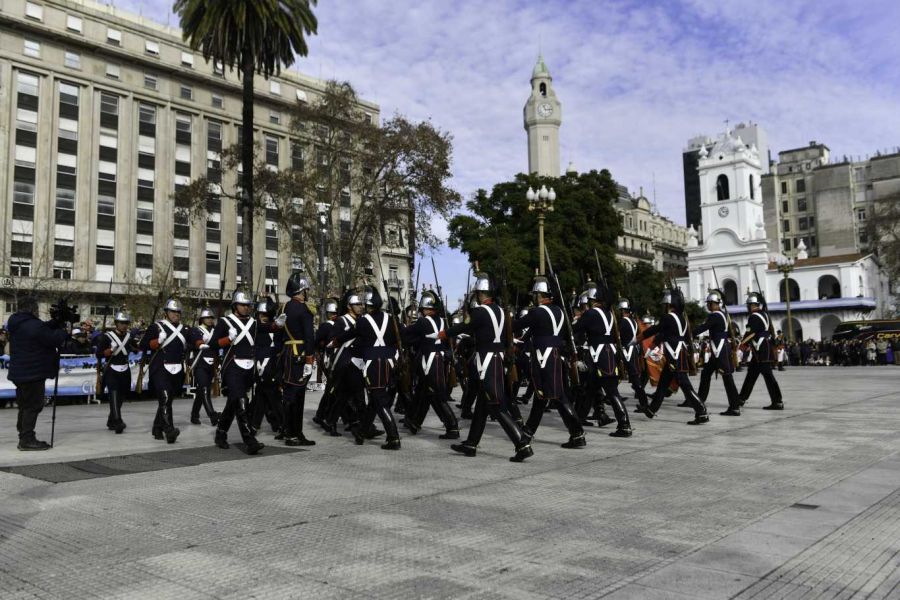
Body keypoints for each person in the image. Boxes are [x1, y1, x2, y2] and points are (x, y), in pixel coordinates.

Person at [443, 270, 532, 462]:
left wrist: (445, 334)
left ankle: (522, 443)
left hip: (486, 362)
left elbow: (463, 327)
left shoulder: (480, 312)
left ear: (480, 293)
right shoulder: (501, 311)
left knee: (497, 406)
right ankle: (471, 444)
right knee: (483, 406)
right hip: (497, 360)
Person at [515, 275, 586, 447]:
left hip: (544, 358)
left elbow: (516, 325)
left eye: (535, 294)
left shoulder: (537, 312)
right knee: (541, 396)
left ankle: (577, 434)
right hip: (557, 355)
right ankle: (527, 432)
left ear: (539, 295)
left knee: (558, 397)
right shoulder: (560, 312)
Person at [638, 288, 709, 425]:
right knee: (663, 384)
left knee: (685, 385)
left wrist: (638, 339)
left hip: (674, 354)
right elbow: (665, 334)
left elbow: (655, 330)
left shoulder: (668, 317)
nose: (663, 307)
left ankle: (702, 411)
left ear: (669, 304)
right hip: (678, 353)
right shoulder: (681, 318)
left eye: (664, 304)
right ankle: (652, 409)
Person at [7, 296, 70, 450]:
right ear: (31, 309)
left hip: (20, 372)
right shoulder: (33, 325)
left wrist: (54, 322)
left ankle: (24, 434)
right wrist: (64, 330)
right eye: (35, 308)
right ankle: (27, 439)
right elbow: (53, 338)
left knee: (24, 404)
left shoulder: (16, 322)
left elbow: (41, 328)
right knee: (33, 405)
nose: (37, 310)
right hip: (32, 372)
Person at [345, 286, 402, 450]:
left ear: (369, 305)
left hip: (373, 365)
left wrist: (335, 341)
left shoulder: (363, 321)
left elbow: (351, 334)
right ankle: (363, 431)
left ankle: (393, 437)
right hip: (390, 363)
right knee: (375, 400)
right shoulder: (392, 319)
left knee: (379, 400)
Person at [207, 291, 265, 453]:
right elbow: (212, 344)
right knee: (241, 401)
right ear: (235, 306)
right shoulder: (225, 322)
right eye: (243, 305)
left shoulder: (254, 323)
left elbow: (262, 339)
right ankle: (249, 440)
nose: (246, 308)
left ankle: (221, 432)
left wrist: (277, 325)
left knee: (233, 403)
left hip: (248, 368)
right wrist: (228, 339)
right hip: (232, 367)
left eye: (248, 305)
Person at [572, 285, 632, 437]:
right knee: (590, 390)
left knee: (612, 392)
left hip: (599, 355)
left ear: (593, 300)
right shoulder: (609, 314)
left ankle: (624, 425)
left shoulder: (591, 313)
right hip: (607, 353)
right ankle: (578, 421)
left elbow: (577, 328)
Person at [402, 290, 460, 440]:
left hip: (428, 361)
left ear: (425, 308)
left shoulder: (422, 322)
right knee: (424, 393)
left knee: (437, 396)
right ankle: (414, 421)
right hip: (439, 360)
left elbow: (408, 334)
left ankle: (452, 426)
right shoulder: (442, 321)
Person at [139, 298, 188, 443]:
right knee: (165, 398)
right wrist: (157, 342)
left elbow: (192, 343)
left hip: (177, 369)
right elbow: (143, 345)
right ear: (166, 312)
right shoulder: (156, 327)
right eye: (173, 311)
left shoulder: (184, 329)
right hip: (160, 367)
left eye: (178, 312)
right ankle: (169, 430)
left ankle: (157, 427)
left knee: (167, 401)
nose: (176, 314)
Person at [279, 275, 316, 446]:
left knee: (291, 393)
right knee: (295, 395)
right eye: (306, 290)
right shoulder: (304, 310)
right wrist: (309, 359)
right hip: (299, 354)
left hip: (287, 353)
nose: (307, 293)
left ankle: (294, 432)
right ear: (301, 291)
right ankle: (291, 433)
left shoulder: (284, 307)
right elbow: (309, 337)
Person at [693, 291, 741, 416]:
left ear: (714, 304)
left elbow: (703, 327)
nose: (708, 306)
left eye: (709, 303)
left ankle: (735, 407)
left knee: (727, 378)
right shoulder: (722, 314)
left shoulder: (715, 315)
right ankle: (700, 401)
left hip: (719, 350)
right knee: (706, 374)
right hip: (718, 350)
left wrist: (690, 333)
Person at [95, 308, 140, 433]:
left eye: (126, 323)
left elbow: (136, 348)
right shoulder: (106, 337)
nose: (124, 325)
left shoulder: (129, 337)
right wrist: (109, 351)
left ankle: (111, 420)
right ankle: (118, 420)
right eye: (121, 323)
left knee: (121, 396)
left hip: (125, 369)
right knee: (113, 395)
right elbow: (98, 354)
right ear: (116, 323)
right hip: (111, 369)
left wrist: (138, 346)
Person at [737, 292, 784, 410]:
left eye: (748, 305)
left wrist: (742, 346)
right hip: (762, 350)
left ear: (753, 305)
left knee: (768, 376)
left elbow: (750, 333)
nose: (747, 307)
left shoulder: (754, 317)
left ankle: (777, 402)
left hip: (761, 350)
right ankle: (741, 399)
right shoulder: (764, 314)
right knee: (751, 375)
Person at [251, 296, 284, 437]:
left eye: (267, 314)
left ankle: (256, 424)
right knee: (267, 395)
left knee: (266, 395)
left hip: (273, 364)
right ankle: (280, 423)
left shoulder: (277, 326)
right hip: (259, 364)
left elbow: (280, 345)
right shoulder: (254, 326)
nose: (264, 317)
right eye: (261, 314)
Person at [615, 298, 651, 414]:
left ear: (622, 310)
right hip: (632, 351)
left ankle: (644, 403)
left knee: (634, 379)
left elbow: (617, 336)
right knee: (632, 378)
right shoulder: (633, 321)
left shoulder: (623, 322)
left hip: (626, 351)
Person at [186, 306, 220, 426]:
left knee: (202, 390)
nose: (210, 319)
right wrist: (199, 343)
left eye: (211, 317)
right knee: (204, 388)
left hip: (211, 363)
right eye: (207, 317)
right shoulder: (196, 330)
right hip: (199, 362)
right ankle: (212, 414)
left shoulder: (215, 331)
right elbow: (192, 342)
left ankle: (194, 415)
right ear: (202, 319)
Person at [312, 297, 340, 430]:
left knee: (332, 389)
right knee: (332, 389)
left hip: (339, 357)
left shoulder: (340, 324)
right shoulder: (325, 326)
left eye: (336, 313)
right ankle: (325, 415)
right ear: (329, 314)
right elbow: (317, 342)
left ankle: (321, 414)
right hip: (330, 359)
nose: (334, 316)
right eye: (332, 314)